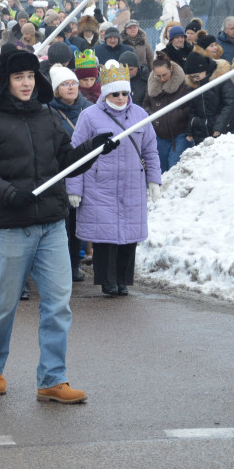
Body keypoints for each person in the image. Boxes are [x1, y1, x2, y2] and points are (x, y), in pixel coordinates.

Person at [0, 49, 116, 403]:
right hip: (10, 227)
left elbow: (66, 162)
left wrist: (92, 150)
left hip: (51, 225)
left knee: (58, 304)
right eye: (19, 77)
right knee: (4, 304)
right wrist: (8, 194)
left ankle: (52, 379)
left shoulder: (48, 116)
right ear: (6, 81)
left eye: (31, 76)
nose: (26, 83)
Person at [68, 60, 161, 297]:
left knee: (129, 237)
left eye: (124, 93)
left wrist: (154, 180)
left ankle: (123, 280)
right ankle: (107, 281)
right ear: (106, 93)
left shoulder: (140, 114)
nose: (120, 98)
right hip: (99, 185)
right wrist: (74, 188)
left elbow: (150, 150)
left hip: (132, 185)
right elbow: (76, 153)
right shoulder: (89, 116)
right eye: (115, 94)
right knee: (105, 237)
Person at [47, 64, 93, 281]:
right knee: (63, 223)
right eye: (65, 84)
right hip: (59, 172)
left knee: (79, 223)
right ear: (56, 89)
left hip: (86, 171)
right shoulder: (48, 111)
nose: (71, 87)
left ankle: (75, 264)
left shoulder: (89, 109)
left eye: (73, 83)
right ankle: (61, 266)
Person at [143, 56, 193, 173]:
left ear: (171, 69)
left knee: (174, 168)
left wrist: (176, 114)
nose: (162, 79)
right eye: (158, 76)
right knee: (161, 170)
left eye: (164, 75)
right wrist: (153, 116)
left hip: (180, 134)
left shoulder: (185, 85)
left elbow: (192, 107)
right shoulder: (152, 85)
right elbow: (146, 104)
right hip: (160, 135)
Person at [182, 52, 234, 144]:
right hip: (202, 131)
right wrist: (189, 131)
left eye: (196, 76)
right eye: (191, 77)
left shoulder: (221, 79)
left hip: (224, 129)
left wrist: (218, 128)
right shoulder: (193, 84)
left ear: (204, 70)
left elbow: (230, 104)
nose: (194, 79)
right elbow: (192, 110)